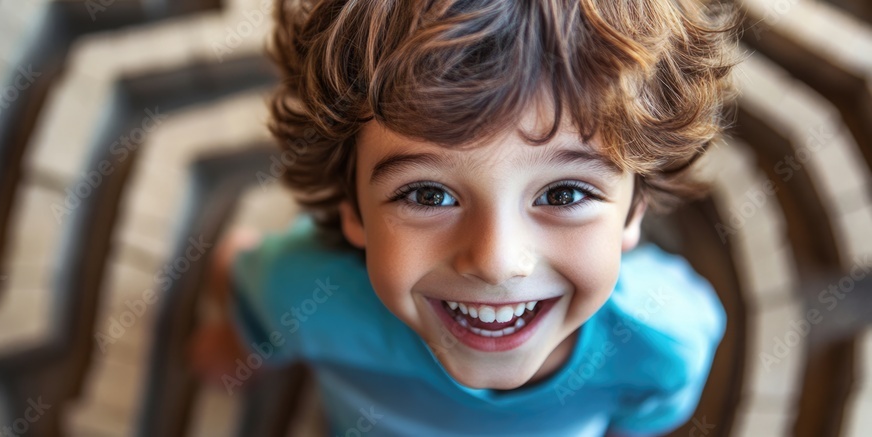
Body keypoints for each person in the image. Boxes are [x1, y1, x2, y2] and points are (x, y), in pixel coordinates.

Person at [192, 0, 735, 435]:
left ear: (633, 211)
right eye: (428, 195)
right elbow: (239, 271)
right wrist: (239, 346)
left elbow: (642, 419)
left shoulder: (663, 344)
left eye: (566, 194)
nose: (496, 262)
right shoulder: (302, 291)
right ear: (351, 209)